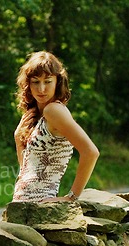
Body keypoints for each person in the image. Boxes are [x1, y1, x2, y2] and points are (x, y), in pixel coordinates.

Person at [13, 51, 99, 202]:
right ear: (27, 84)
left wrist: (71, 197)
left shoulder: (53, 111)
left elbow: (91, 152)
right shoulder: (33, 115)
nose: (41, 89)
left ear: (57, 82)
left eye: (47, 81)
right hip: (22, 206)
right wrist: (18, 139)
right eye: (35, 81)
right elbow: (27, 171)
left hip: (41, 208)